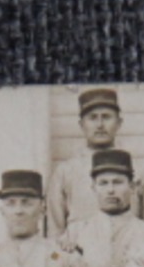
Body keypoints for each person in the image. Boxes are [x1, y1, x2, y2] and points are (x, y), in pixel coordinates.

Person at [48, 87, 132, 234]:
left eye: (106, 117)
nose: (99, 125)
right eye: (92, 118)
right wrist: (59, 255)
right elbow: (55, 230)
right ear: (82, 125)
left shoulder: (133, 167)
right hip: (80, 250)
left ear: (119, 123)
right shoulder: (66, 171)